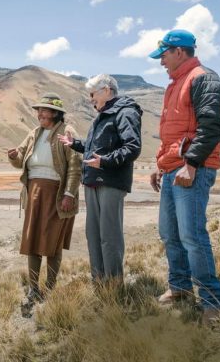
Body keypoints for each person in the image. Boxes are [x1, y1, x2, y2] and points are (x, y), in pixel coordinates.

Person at [148, 29, 220, 324]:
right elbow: (173, 135)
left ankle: (213, 301)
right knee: (170, 234)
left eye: (164, 55)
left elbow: (211, 126)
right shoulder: (175, 84)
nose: (161, 62)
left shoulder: (203, 78)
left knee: (192, 235)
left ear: (179, 51)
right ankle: (179, 288)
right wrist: (160, 164)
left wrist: (191, 163)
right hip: (172, 170)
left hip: (193, 170)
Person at [58, 74, 142, 283]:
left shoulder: (125, 112)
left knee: (109, 236)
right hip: (93, 181)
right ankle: (98, 281)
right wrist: (76, 144)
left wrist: (105, 161)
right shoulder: (103, 115)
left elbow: (132, 147)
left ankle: (113, 284)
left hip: (111, 183)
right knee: (93, 235)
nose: (91, 99)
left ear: (106, 90)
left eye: (93, 94)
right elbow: (96, 147)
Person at [7, 93, 82, 313]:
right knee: (32, 240)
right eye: (39, 110)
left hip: (57, 193)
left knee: (52, 241)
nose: (40, 113)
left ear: (56, 113)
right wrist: (14, 156)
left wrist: (69, 193)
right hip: (35, 192)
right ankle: (33, 288)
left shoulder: (67, 133)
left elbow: (75, 167)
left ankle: (50, 287)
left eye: (45, 110)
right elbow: (21, 158)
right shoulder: (34, 133)